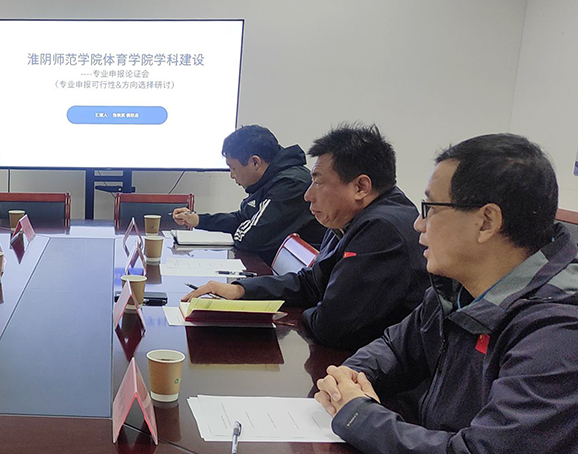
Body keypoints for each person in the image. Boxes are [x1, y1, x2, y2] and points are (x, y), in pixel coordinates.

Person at [315, 133, 578, 453]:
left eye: (430, 209)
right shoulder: (457, 289)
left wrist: (359, 416)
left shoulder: (557, 332)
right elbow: (395, 348)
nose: (418, 224)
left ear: (486, 222)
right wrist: (350, 376)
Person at [183, 123, 428, 350]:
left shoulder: (382, 230)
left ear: (360, 187)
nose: (308, 195)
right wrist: (241, 290)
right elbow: (311, 283)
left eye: (318, 182)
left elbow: (332, 327)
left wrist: (294, 315)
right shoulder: (348, 218)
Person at [172, 125, 325, 264]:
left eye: (233, 168)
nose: (232, 176)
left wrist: (244, 227)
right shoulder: (270, 180)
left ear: (255, 162)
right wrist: (198, 220)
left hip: (295, 278)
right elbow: (243, 218)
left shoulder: (290, 184)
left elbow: (251, 238)